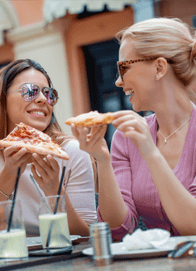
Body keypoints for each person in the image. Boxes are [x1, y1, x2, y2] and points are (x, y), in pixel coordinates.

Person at [71, 18, 196, 241]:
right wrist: (102, 160)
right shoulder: (126, 138)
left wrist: (150, 152)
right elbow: (118, 228)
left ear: (159, 67)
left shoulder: (142, 140)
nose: (118, 81)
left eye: (124, 67)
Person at [0, 59, 96, 244]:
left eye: (48, 93)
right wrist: (8, 175)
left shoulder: (72, 153)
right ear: (2, 99)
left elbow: (87, 235)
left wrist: (54, 192)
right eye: (29, 91)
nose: (43, 99)